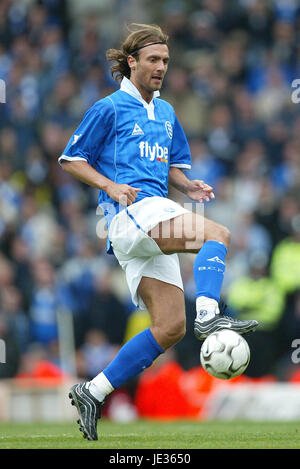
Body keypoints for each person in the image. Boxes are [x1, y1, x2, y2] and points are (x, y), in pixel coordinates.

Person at [59, 24, 258, 440]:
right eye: (153, 59)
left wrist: (189, 185)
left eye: (165, 61)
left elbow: (171, 168)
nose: (160, 67)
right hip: (130, 214)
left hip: (157, 212)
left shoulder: (166, 113)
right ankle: (210, 316)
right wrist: (109, 185)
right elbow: (71, 158)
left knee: (170, 327)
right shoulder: (109, 108)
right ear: (131, 62)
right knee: (216, 234)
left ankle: (92, 392)